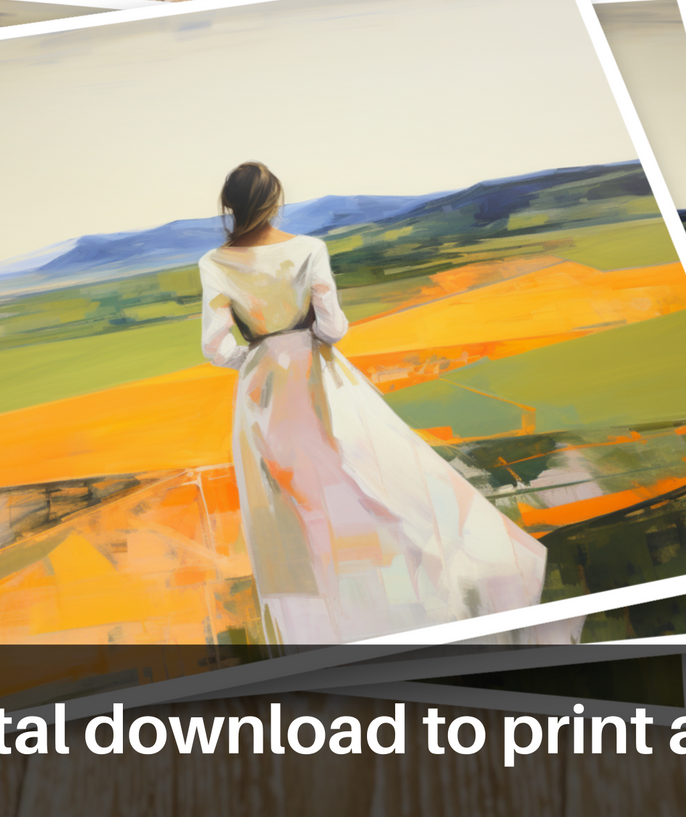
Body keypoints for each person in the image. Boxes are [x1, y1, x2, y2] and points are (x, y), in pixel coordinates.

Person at [198, 161, 558, 646]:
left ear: (231, 206)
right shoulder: (308, 249)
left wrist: (257, 356)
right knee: (370, 475)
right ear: (273, 200)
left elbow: (215, 347)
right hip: (316, 376)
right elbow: (333, 326)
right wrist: (303, 341)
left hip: (262, 389)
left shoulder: (214, 263)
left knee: (291, 509)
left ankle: (327, 628)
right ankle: (426, 587)